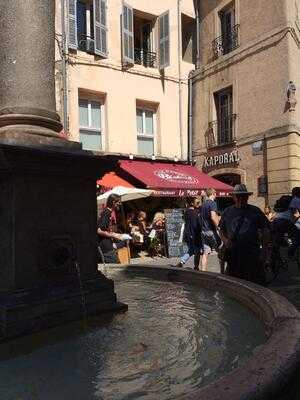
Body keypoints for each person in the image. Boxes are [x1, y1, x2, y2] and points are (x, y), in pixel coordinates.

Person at [219, 184, 270, 285]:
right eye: (238, 196)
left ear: (247, 197)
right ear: (233, 197)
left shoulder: (255, 211)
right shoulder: (227, 211)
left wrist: (264, 250)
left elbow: (265, 231)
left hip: (251, 254)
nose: (240, 199)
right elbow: (221, 230)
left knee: (253, 283)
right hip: (233, 254)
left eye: (243, 196)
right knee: (233, 284)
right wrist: (225, 240)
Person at [97, 194, 131, 263]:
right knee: (116, 266)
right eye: (118, 202)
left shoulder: (108, 212)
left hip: (107, 246)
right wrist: (115, 235)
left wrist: (119, 235)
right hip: (106, 247)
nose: (120, 204)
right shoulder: (107, 213)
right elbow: (99, 230)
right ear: (113, 202)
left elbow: (105, 230)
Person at [175, 197, 203, 270]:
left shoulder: (186, 212)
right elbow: (194, 225)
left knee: (191, 250)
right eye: (197, 203)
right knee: (197, 251)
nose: (198, 204)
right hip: (194, 235)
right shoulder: (195, 213)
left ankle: (182, 261)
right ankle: (196, 266)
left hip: (187, 234)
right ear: (192, 203)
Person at [200, 188, 221, 271]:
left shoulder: (203, 204)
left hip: (203, 231)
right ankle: (223, 272)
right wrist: (218, 226)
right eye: (215, 194)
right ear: (213, 194)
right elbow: (213, 217)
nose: (216, 195)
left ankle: (203, 271)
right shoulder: (213, 203)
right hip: (211, 231)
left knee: (205, 253)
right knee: (221, 250)